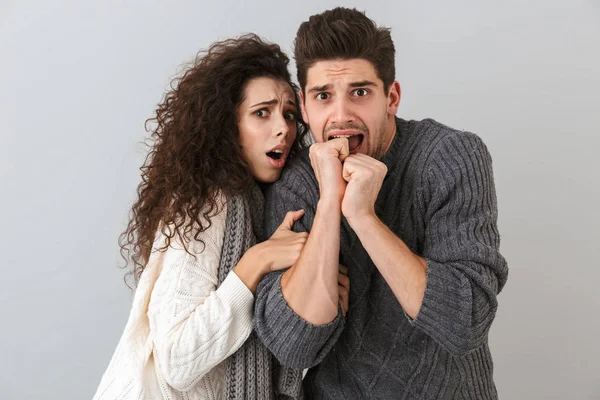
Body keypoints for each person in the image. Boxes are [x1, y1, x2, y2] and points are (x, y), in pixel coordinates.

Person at [254, 7, 509, 399]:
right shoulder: (297, 180)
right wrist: (329, 203)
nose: (341, 116)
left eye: (360, 92)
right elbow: (294, 346)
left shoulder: (451, 156)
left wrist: (363, 217)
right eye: (324, 96)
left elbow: (466, 321)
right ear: (305, 107)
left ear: (391, 97)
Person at [93, 34, 348, 400]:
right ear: (227, 127)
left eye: (289, 114)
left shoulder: (260, 201)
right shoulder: (210, 203)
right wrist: (257, 261)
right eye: (262, 113)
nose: (284, 128)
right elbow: (178, 363)